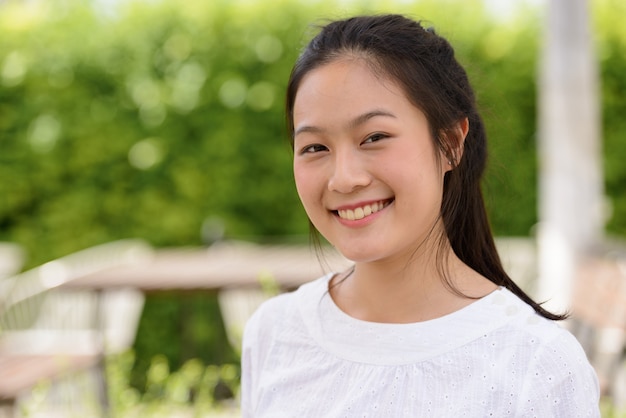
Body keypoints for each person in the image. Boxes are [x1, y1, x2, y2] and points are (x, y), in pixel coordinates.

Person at [241, 14, 600, 417]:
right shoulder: (274, 334)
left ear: (449, 143)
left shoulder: (537, 364)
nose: (344, 179)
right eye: (314, 148)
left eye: (374, 137)